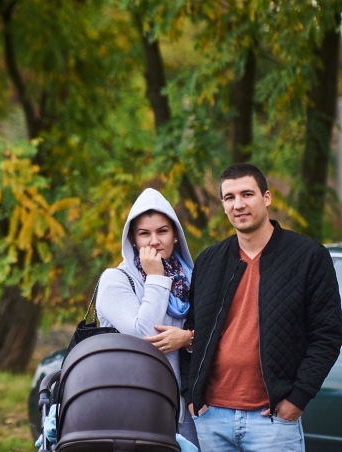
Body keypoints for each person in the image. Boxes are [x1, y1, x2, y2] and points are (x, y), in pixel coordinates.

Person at [184, 163, 342, 452]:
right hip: (211, 418)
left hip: (272, 421)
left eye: (247, 194)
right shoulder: (209, 261)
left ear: (266, 197)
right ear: (223, 204)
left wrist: (298, 399)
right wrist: (191, 395)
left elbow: (327, 334)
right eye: (229, 197)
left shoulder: (308, 257)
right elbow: (190, 331)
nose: (238, 204)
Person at [95, 188, 200, 449]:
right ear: (132, 239)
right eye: (144, 233)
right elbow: (143, 338)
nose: (154, 240)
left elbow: (213, 333)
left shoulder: (193, 278)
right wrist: (156, 277)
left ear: (176, 235)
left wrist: (188, 339)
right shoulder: (116, 280)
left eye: (162, 231)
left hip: (187, 411)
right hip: (134, 407)